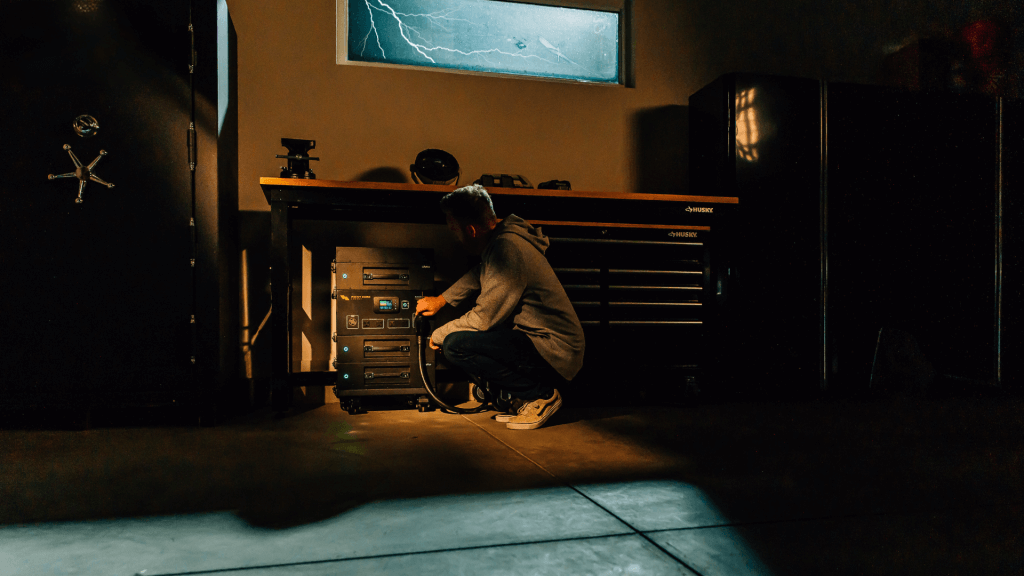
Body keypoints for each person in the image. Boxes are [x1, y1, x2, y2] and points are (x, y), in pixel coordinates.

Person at [415, 184, 585, 430]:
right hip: (542, 343)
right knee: (462, 340)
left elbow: (484, 318)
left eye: (455, 231)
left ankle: (542, 395)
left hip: (555, 351)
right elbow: (478, 274)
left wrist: (440, 334)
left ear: (471, 230)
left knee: (456, 345)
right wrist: (442, 299)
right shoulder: (501, 241)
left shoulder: (508, 249)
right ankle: (529, 397)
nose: (455, 237)